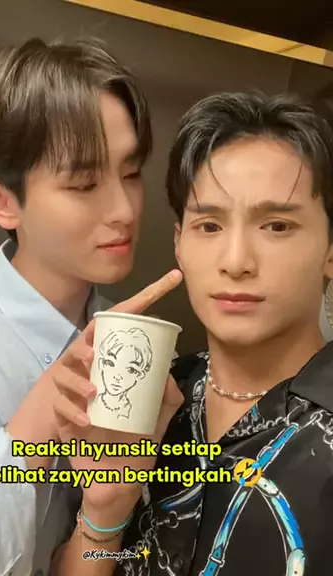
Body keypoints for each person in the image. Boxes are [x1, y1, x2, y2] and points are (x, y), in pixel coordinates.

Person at [0, 36, 184, 576]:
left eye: (131, 173)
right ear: (0, 200)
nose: (124, 210)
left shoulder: (134, 351)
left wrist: (107, 511)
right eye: (84, 183)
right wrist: (34, 426)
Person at [49, 90, 333, 576]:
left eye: (276, 226)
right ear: (180, 243)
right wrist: (104, 512)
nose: (236, 262)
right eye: (209, 226)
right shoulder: (150, 400)